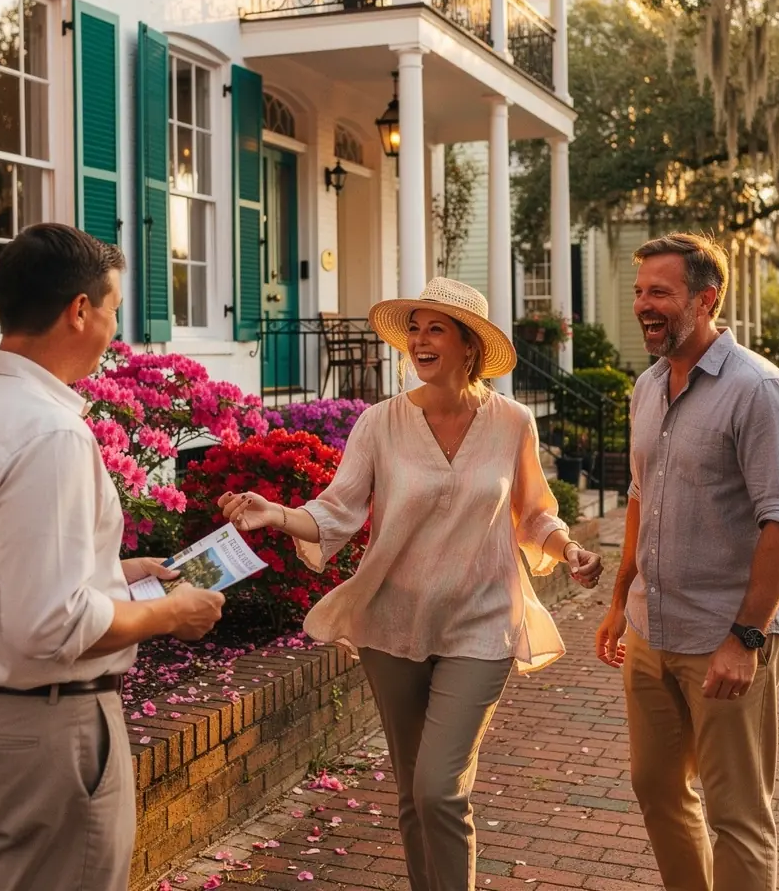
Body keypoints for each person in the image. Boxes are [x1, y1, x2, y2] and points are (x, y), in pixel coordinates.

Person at [220, 277, 603, 891]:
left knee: (439, 789)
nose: (420, 341)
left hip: (483, 621)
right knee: (411, 793)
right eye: (415, 328)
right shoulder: (379, 424)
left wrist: (570, 549)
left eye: (436, 329)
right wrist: (276, 513)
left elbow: (533, 514)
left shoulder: (512, 423)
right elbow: (338, 510)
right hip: (392, 623)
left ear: (469, 346)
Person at [0, 223, 225, 891]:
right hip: (48, 730)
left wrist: (117, 574)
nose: (116, 328)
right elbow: (51, 624)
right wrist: (171, 613)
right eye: (112, 308)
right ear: (78, 310)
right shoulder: (49, 430)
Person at [595, 233, 779, 891]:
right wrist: (616, 602)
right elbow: (640, 495)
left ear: (706, 298)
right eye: (639, 292)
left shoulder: (760, 392)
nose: (643, 305)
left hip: (724, 637)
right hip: (650, 631)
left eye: (659, 292)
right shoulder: (649, 386)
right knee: (656, 789)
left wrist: (745, 639)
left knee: (737, 813)